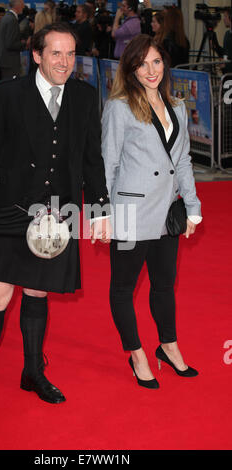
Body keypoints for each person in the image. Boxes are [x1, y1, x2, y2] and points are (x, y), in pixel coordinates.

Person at [0, 22, 111, 422]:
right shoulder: (8, 94)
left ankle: (33, 372)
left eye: (71, 54)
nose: (65, 62)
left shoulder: (86, 97)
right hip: (10, 209)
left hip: (56, 215)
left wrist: (100, 210)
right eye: (56, 53)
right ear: (37, 55)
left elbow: (91, 159)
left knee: (37, 293)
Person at [101, 34, 202, 389]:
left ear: (165, 64)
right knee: (123, 288)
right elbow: (107, 162)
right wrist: (103, 214)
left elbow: (184, 160)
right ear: (130, 68)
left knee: (164, 285)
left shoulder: (176, 105)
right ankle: (136, 353)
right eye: (141, 63)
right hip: (130, 212)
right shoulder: (119, 106)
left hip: (166, 212)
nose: (150, 70)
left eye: (156, 62)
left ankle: (168, 346)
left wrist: (193, 206)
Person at [0, 0, 26, 79]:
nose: (24, 6)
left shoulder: (7, 17)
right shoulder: (11, 19)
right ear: (17, 5)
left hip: (6, 60)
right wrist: (25, 43)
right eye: (23, 4)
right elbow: (10, 44)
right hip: (10, 62)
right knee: (10, 87)